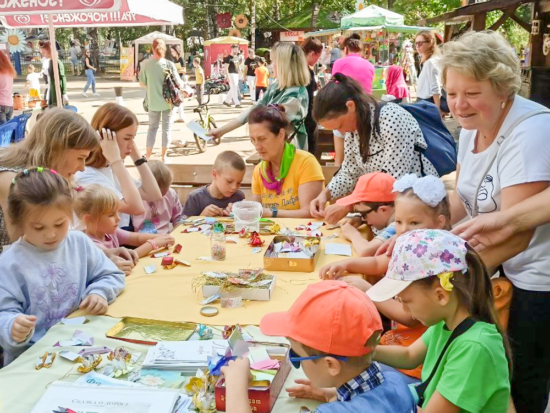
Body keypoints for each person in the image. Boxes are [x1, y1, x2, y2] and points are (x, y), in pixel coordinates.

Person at [441, 31, 550, 413]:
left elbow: (517, 234)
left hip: (536, 279)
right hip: (500, 270)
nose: (458, 104)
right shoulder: (470, 131)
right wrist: (421, 232)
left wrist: (448, 277)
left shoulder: (531, 132)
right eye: (452, 92)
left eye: (471, 93)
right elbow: (463, 197)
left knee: (523, 379)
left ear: (503, 87)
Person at [369, 230, 511, 412]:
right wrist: (364, 350)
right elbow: (410, 356)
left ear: (441, 295)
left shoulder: (474, 347)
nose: (405, 310)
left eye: (406, 301)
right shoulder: (446, 322)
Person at [221, 280, 417, 413]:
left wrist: (235, 385)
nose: (295, 362)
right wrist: (335, 394)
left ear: (331, 365)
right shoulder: (396, 381)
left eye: (296, 357)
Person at [0, 168, 125, 366]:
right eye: (39, 227)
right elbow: (3, 311)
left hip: (81, 350)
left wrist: (99, 292)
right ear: (18, 221)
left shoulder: (79, 243)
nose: (51, 235)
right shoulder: (9, 264)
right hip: (33, 361)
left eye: (59, 224)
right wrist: (11, 326)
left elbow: (111, 275)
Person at [310, 74, 438, 224]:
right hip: (383, 213)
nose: (342, 133)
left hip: (416, 210)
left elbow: (392, 180)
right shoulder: (354, 128)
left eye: (339, 126)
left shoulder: (391, 118)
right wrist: (325, 194)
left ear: (350, 106)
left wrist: (348, 207)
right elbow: (349, 172)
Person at [76, 103, 163, 231]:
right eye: (127, 138)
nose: (132, 145)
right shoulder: (87, 175)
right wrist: (116, 160)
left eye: (133, 138)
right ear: (106, 136)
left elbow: (154, 195)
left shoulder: (112, 167)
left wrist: (137, 157)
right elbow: (136, 208)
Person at [211, 42, 310, 150]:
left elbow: (272, 120)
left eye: (273, 61)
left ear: (284, 65)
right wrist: (221, 131)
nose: (272, 66)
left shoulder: (296, 94)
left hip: (290, 156)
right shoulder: (277, 86)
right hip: (274, 152)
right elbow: (255, 108)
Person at [249, 105, 324, 218]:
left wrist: (272, 212)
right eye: (253, 140)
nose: (257, 146)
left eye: (262, 139)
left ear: (281, 135)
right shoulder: (259, 170)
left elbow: (310, 212)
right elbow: (257, 211)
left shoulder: (306, 163)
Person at [75, 185, 175, 258]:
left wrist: (163, 238)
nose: (118, 218)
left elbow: (137, 238)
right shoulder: (90, 243)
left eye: (117, 213)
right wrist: (153, 244)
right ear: (89, 219)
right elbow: (125, 259)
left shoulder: (111, 233)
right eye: (111, 215)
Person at [139, 38, 185, 162]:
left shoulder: (145, 64)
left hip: (152, 103)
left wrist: (152, 85)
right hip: (168, 103)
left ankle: (148, 156)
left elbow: (142, 83)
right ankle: (164, 157)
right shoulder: (169, 64)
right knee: (167, 129)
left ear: (152, 48)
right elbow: (178, 83)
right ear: (164, 49)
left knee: (152, 129)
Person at [335, 172, 397, 257]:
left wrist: (352, 233)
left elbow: (366, 251)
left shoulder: (398, 225)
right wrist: (359, 219)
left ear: (383, 210)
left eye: (363, 214)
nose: (363, 219)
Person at [183, 151, 246, 217]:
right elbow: (183, 226)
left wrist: (239, 214)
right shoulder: (195, 198)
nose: (234, 187)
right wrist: (202, 216)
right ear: (214, 174)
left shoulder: (238, 197)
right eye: (229, 181)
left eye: (239, 183)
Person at [133, 160, 185, 234]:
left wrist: (176, 230)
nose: (160, 197)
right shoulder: (136, 196)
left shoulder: (171, 194)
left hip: (165, 237)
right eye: (156, 194)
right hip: (141, 239)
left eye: (164, 193)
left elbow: (178, 217)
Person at [301, 38, 323, 156]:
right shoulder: (306, 71)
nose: (317, 61)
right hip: (308, 117)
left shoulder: (299, 68)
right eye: (318, 57)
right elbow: (310, 97)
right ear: (312, 54)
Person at [415, 31, 444, 115]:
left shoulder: (430, 62)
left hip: (426, 102)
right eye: (416, 43)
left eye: (420, 43)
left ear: (430, 43)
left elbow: (435, 86)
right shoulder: (431, 60)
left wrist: (437, 109)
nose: (417, 46)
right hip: (425, 101)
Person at [39, 40, 68, 108]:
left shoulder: (57, 62)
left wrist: (64, 93)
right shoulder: (50, 61)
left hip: (57, 90)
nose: (43, 54)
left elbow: (62, 77)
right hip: (52, 88)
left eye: (43, 52)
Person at [170, 45, 186, 123]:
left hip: (180, 80)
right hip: (176, 79)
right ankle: (181, 116)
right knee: (179, 98)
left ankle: (173, 116)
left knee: (177, 97)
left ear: (176, 51)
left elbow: (184, 70)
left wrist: (176, 71)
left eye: (172, 51)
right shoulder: (174, 60)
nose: (171, 53)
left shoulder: (181, 59)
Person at [0, 51, 15, 125]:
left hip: (1, 106)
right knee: (8, 132)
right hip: (9, 104)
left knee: (2, 133)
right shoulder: (9, 72)